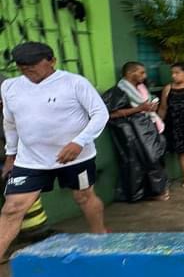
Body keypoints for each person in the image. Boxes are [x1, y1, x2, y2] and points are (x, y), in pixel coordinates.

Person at [0, 42, 108, 261]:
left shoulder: (75, 83)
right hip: (30, 160)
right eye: (21, 66)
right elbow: (10, 122)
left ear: (51, 61)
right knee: (12, 208)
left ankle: (101, 237)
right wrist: (11, 155)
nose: (26, 69)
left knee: (84, 197)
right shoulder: (10, 86)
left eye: (32, 64)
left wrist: (79, 142)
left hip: (76, 158)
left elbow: (100, 114)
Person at [103, 61, 169, 202]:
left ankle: (158, 190)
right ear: (130, 73)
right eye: (141, 72)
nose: (144, 76)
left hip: (147, 129)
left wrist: (151, 107)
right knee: (141, 162)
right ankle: (148, 192)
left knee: (155, 158)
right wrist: (139, 109)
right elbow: (110, 114)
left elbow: (146, 106)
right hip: (133, 132)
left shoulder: (141, 89)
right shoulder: (118, 91)